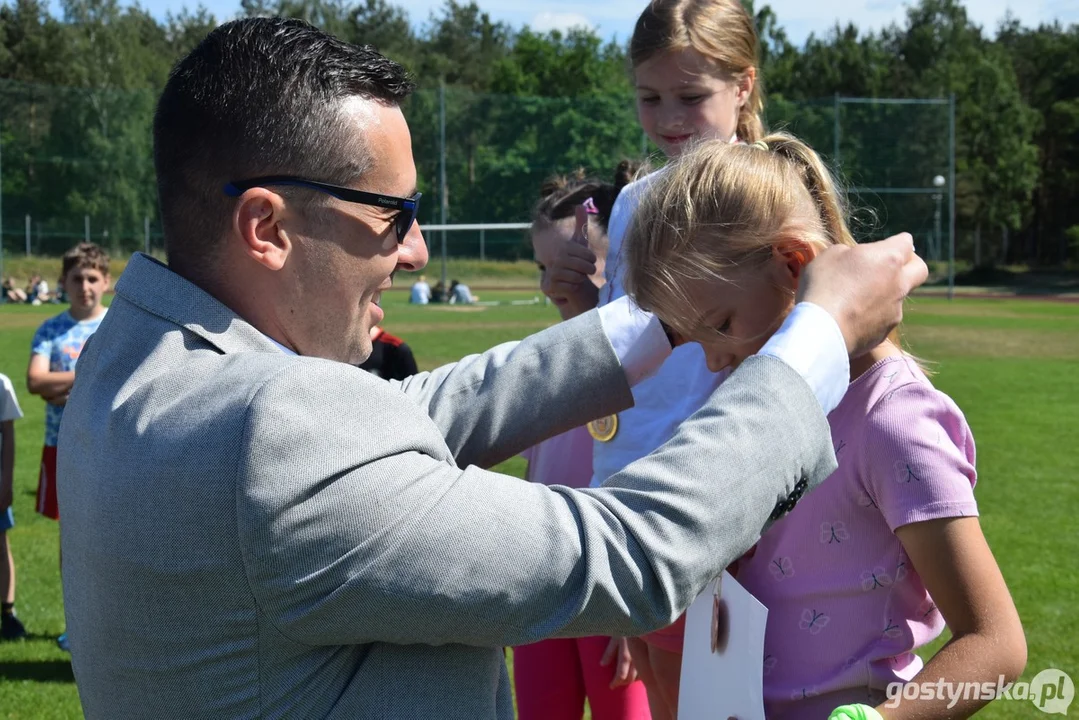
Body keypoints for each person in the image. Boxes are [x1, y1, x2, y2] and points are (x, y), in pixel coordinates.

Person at [56, 18, 925, 719]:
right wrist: (813, 334)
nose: (416, 251)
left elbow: (408, 416)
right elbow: (630, 554)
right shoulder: (268, 440)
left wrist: (676, 310)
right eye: (394, 216)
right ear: (267, 227)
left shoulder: (139, 367)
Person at [624, 134, 1027, 719]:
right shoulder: (745, 397)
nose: (711, 361)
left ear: (793, 264)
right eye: (695, 339)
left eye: (721, 323)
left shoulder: (895, 421)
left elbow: (995, 644)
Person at [538, 1, 772, 715]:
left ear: (743, 86)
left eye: (690, 96)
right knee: (670, 703)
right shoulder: (635, 204)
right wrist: (580, 311)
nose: (668, 116)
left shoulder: (769, 195)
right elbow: (628, 368)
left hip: (744, 517)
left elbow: (788, 367)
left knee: (731, 704)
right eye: (649, 97)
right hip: (641, 512)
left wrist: (738, 511)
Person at [514, 165, 651, 720]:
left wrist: (634, 607)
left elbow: (645, 490)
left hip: (610, 589)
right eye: (545, 268)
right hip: (542, 583)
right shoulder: (545, 358)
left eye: (572, 266)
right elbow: (537, 475)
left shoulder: (648, 364)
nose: (553, 285)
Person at [26, 242, 110, 651]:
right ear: (63, 282)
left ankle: (112, 622)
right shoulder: (51, 330)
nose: (85, 286)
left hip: (111, 444)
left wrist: (70, 387)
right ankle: (74, 624)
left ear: (107, 282)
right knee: (71, 541)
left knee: (114, 537)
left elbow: (128, 378)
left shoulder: (117, 327)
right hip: (62, 446)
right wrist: (89, 380)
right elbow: (35, 381)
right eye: (77, 278)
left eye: (92, 278)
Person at [0, 372, 25, 641]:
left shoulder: (2, 384)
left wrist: (6, 482)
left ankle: (7, 611)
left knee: (0, 546)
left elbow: (8, 434)